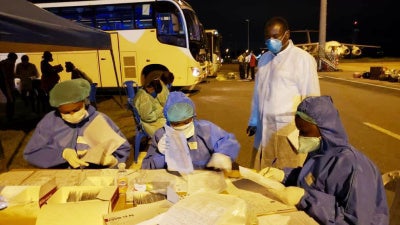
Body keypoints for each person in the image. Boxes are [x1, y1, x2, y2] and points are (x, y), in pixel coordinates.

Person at [258, 95, 389, 225]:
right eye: (299, 131)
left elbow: (355, 220)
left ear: (325, 130)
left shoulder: (355, 167)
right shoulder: (320, 152)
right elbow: (311, 179)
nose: (299, 137)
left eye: (304, 132)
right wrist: (284, 175)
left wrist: (305, 198)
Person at [246, 16, 320, 170]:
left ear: (287, 34)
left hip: (288, 129)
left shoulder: (302, 59)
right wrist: (253, 120)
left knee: (287, 176)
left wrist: (311, 135)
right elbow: (258, 93)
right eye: (267, 37)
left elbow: (311, 98)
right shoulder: (264, 59)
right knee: (262, 175)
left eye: (275, 36)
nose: (270, 40)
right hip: (263, 128)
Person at [23, 78, 131, 169]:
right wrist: (62, 154)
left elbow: (123, 149)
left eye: (76, 109)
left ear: (84, 102)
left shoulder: (99, 119)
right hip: (61, 176)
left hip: (96, 175)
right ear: (57, 108)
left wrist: (113, 161)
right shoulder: (50, 122)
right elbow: (32, 153)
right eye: (65, 112)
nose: (72, 114)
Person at [141, 91, 240, 173]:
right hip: (174, 185)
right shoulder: (161, 136)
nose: (182, 126)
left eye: (186, 121)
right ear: (168, 121)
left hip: (204, 182)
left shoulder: (206, 129)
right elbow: (146, 170)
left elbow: (227, 140)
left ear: (193, 116)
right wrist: (160, 154)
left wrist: (224, 154)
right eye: (176, 123)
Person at [133, 67, 167, 136]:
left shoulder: (143, 92)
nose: (154, 93)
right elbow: (148, 117)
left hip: (153, 121)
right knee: (173, 128)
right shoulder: (144, 98)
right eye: (154, 90)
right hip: (150, 125)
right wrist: (160, 112)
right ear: (151, 88)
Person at [0, 52, 18, 120]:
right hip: (6, 83)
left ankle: (9, 115)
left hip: (3, 83)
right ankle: (10, 116)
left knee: (10, 99)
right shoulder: (10, 63)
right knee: (11, 99)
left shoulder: (2, 62)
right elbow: (10, 75)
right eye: (15, 59)